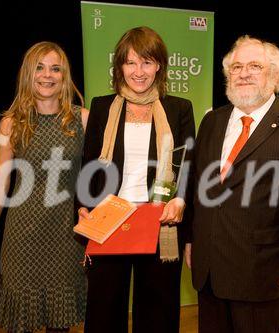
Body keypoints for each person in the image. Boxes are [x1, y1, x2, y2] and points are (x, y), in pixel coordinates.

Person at [187, 35, 279, 332]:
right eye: (237, 67)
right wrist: (191, 238)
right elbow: (197, 185)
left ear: (275, 75)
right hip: (209, 269)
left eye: (255, 66)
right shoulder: (212, 121)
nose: (244, 73)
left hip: (260, 271)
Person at [77, 26, 195, 333]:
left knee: (158, 311)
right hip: (109, 218)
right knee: (104, 309)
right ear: (119, 67)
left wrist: (180, 200)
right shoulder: (103, 106)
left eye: (146, 62)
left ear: (159, 66)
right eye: (130, 63)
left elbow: (187, 165)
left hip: (159, 220)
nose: (138, 71)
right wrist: (83, 207)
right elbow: (88, 164)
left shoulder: (179, 108)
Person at [0, 41, 89, 333]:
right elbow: (1, 181)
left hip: (66, 235)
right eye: (39, 68)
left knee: (59, 321)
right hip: (22, 235)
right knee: (20, 322)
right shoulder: (11, 123)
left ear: (64, 76)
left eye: (55, 68)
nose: (47, 75)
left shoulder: (83, 119)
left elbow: (98, 177)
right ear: (28, 73)